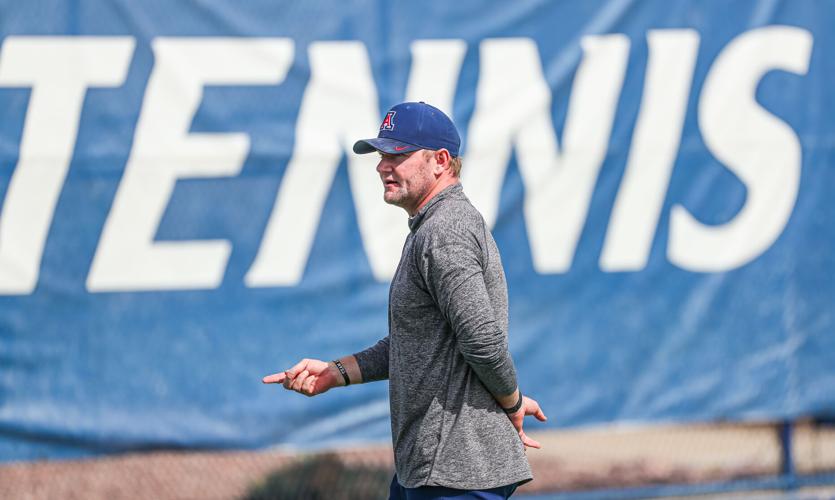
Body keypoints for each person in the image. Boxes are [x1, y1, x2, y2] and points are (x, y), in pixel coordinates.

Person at [263, 101, 547, 499]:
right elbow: (417, 344)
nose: (383, 165)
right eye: (382, 155)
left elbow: (482, 340)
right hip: (432, 468)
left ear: (441, 161)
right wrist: (337, 372)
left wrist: (512, 402)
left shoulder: (445, 229)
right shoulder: (430, 228)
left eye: (398, 154)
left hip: (456, 473)